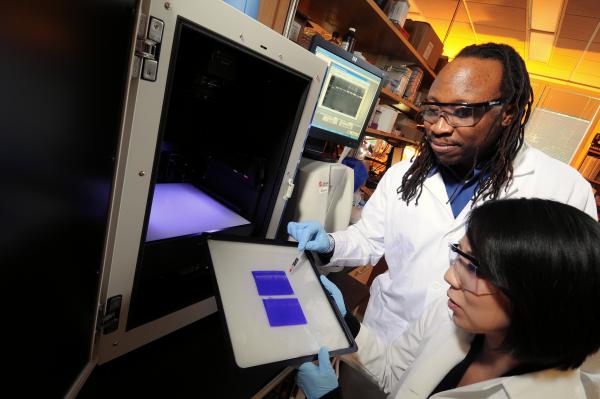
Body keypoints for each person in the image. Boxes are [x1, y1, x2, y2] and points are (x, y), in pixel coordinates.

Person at [287, 43, 597, 343]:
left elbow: (567, 305)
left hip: (468, 371)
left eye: (462, 111)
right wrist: (330, 243)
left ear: (508, 113)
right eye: (432, 110)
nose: (438, 127)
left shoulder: (562, 191)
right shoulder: (403, 176)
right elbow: (369, 240)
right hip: (383, 336)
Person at [296, 198, 600, 398]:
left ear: (535, 297)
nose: (449, 278)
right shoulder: (450, 315)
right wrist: (344, 321)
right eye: (459, 256)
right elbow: (392, 371)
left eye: (473, 267)